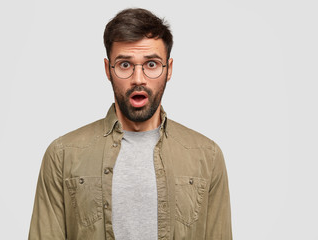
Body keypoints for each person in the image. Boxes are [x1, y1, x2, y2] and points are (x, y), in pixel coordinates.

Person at [29, 8, 232, 240]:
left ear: (169, 69)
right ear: (108, 70)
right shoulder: (63, 155)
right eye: (125, 65)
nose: (138, 78)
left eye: (152, 64)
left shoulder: (207, 155)